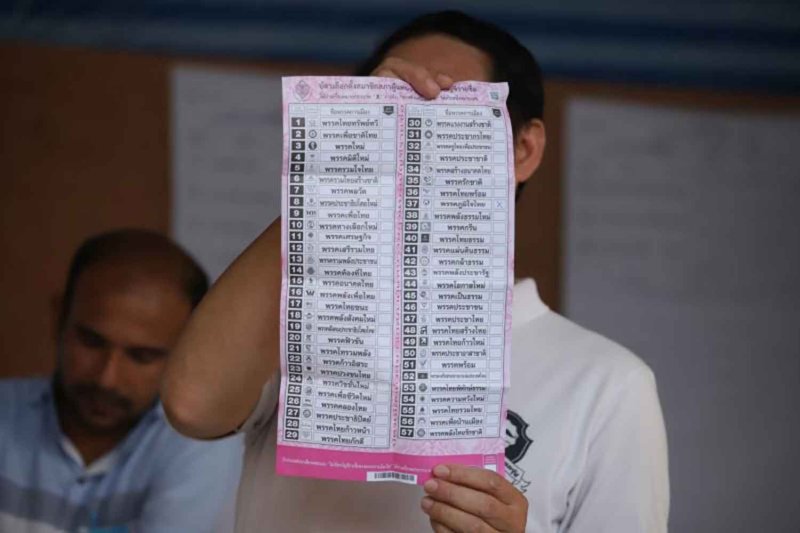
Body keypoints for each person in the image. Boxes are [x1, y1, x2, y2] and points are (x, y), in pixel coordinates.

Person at [162, 10, 669, 533]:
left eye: (452, 115)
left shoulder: (608, 385)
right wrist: (336, 167)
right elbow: (192, 406)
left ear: (523, 149)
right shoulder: (306, 317)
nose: (416, 137)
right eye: (393, 114)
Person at [0, 229, 242, 532]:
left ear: (184, 353)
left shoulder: (199, 448)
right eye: (91, 342)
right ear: (58, 318)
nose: (107, 379)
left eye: (142, 356)